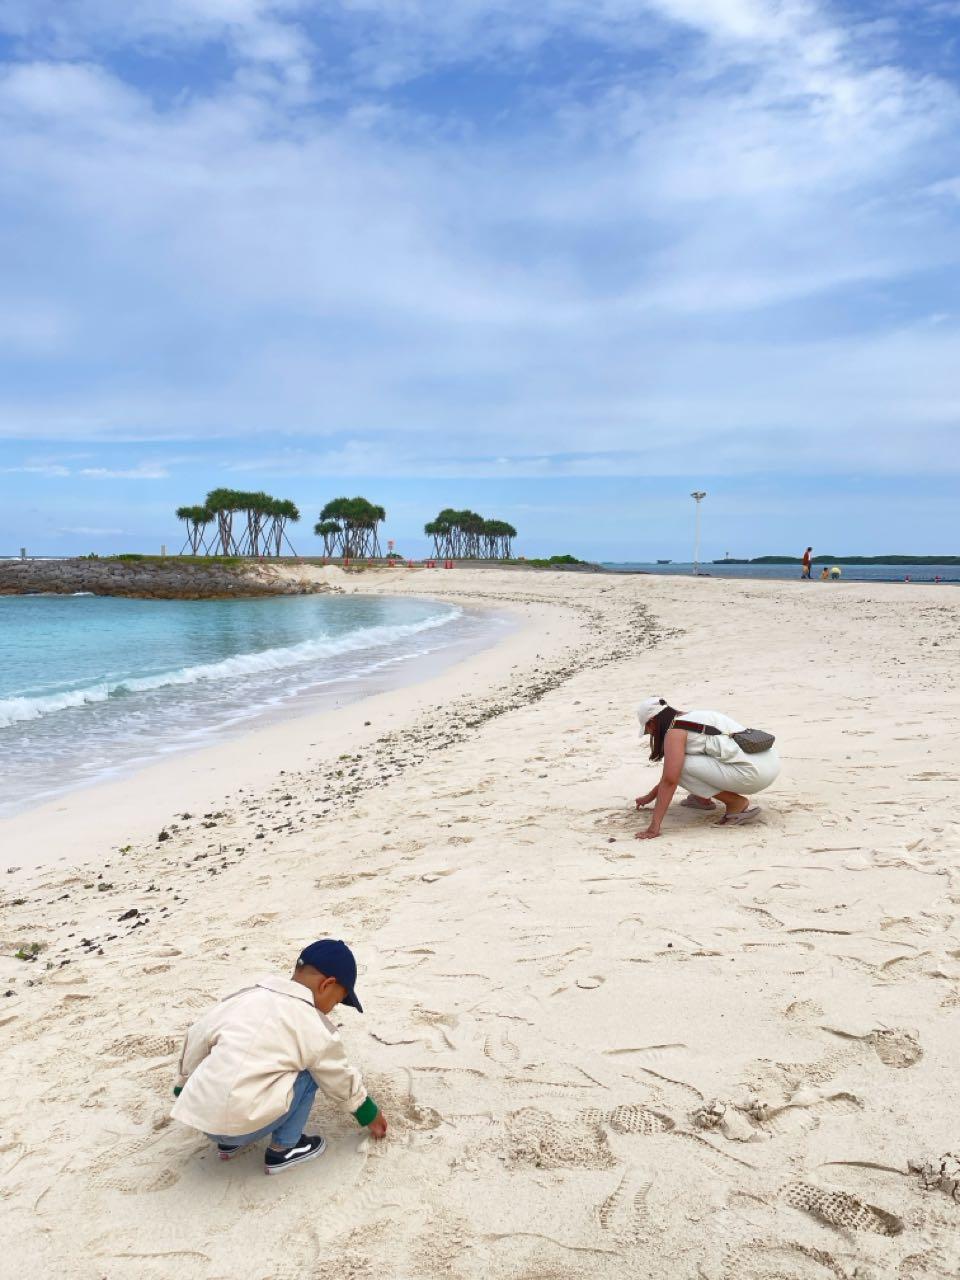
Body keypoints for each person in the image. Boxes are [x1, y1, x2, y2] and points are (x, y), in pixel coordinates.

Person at [172, 939, 388, 1174]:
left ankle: (227, 1144)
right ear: (326, 985)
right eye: (336, 1002)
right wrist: (369, 1114)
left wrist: (183, 1085)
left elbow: (196, 1038)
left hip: (204, 1119)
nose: (331, 1009)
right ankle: (285, 1148)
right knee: (312, 1069)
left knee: (232, 1055)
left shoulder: (243, 998)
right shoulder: (314, 1025)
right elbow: (338, 1077)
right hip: (244, 1125)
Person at [633, 696, 781, 840]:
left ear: (653, 722)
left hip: (754, 774)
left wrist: (654, 827)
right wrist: (650, 797)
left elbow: (670, 779)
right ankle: (701, 799)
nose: (650, 733)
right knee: (683, 762)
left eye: (647, 730)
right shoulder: (693, 716)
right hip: (769, 762)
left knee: (680, 766)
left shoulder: (674, 732)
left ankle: (735, 803)